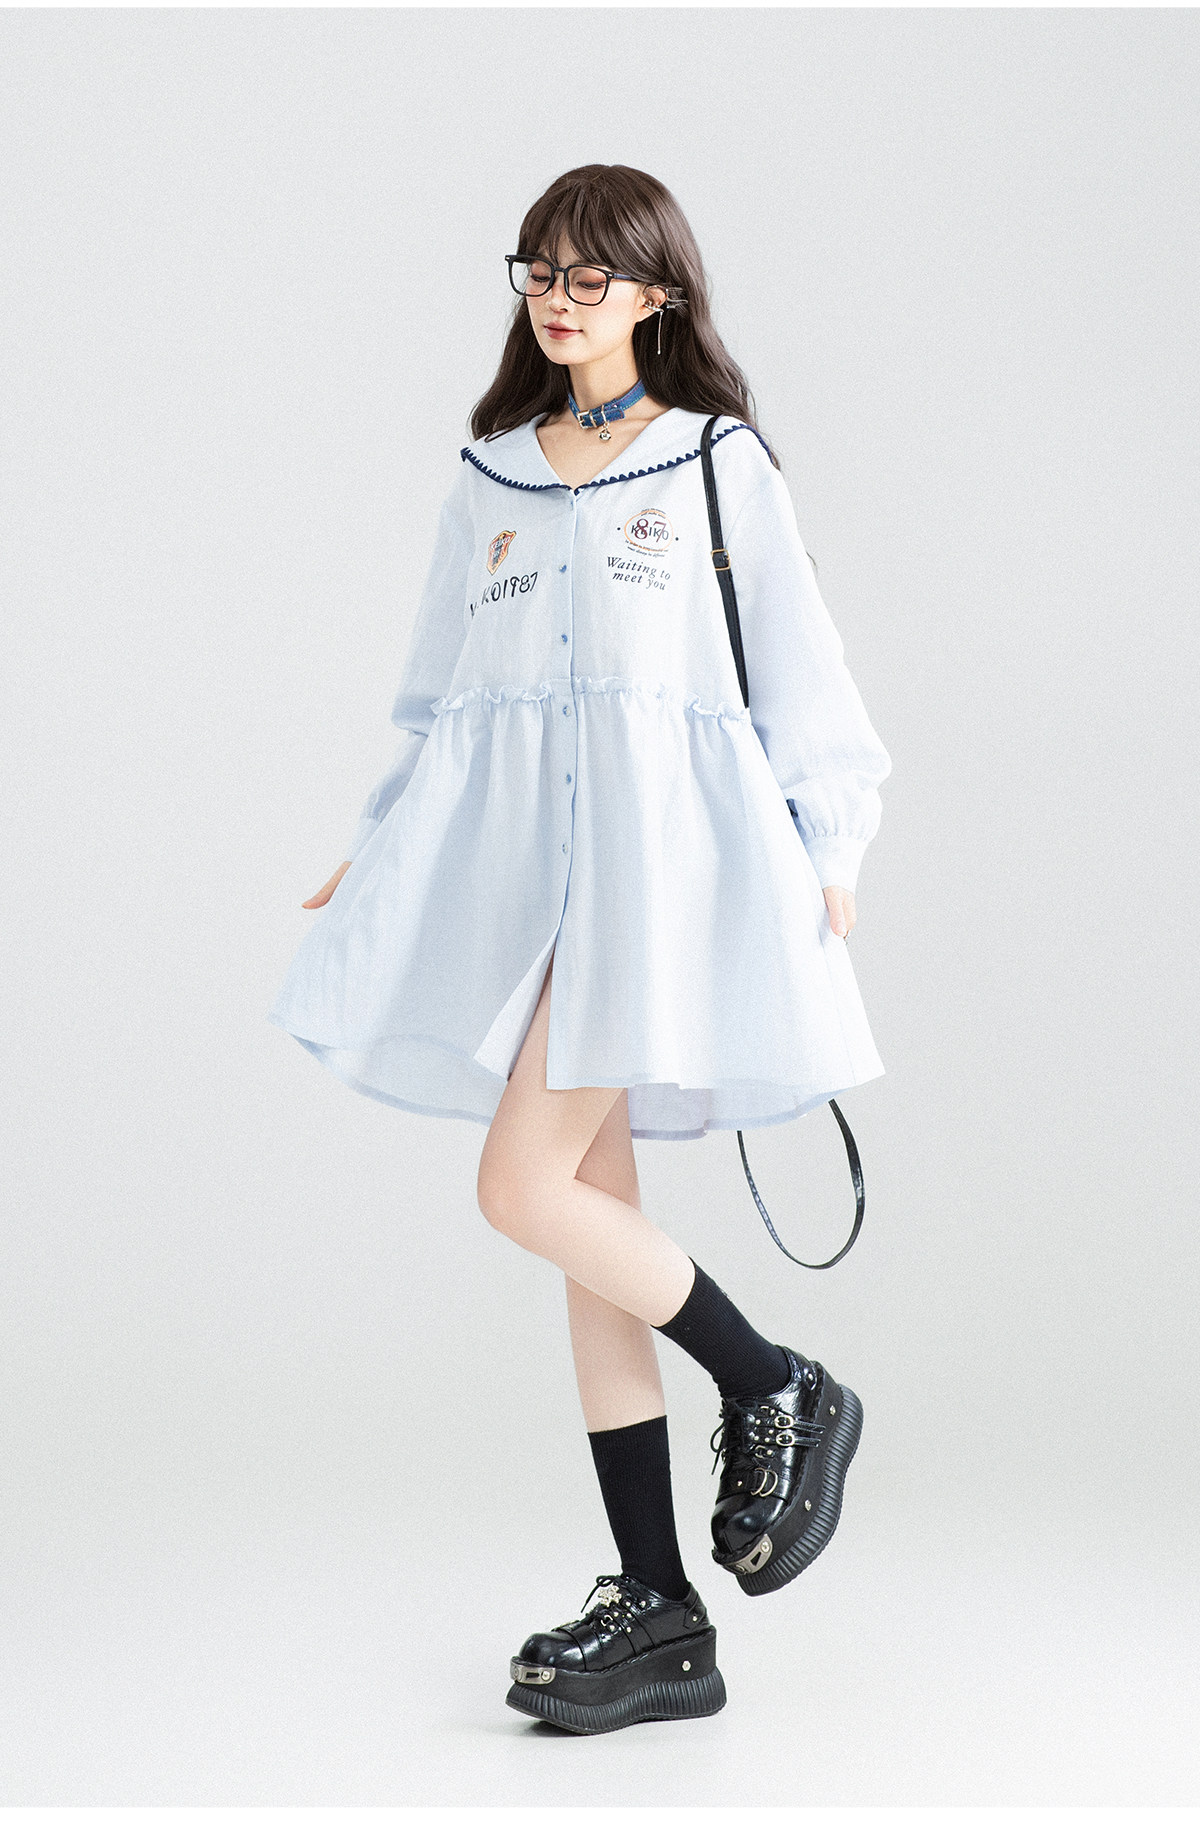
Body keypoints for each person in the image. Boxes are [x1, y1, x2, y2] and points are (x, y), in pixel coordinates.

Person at [268, 163, 892, 1735]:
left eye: (591, 275)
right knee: (584, 1224)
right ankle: (661, 1605)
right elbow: (438, 697)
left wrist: (831, 844)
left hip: (658, 879)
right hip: (526, 885)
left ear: (658, 292)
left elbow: (802, 670)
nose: (559, 298)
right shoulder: (491, 474)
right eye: (540, 270)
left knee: (522, 1187)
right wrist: (379, 844)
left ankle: (775, 1380)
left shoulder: (715, 462)